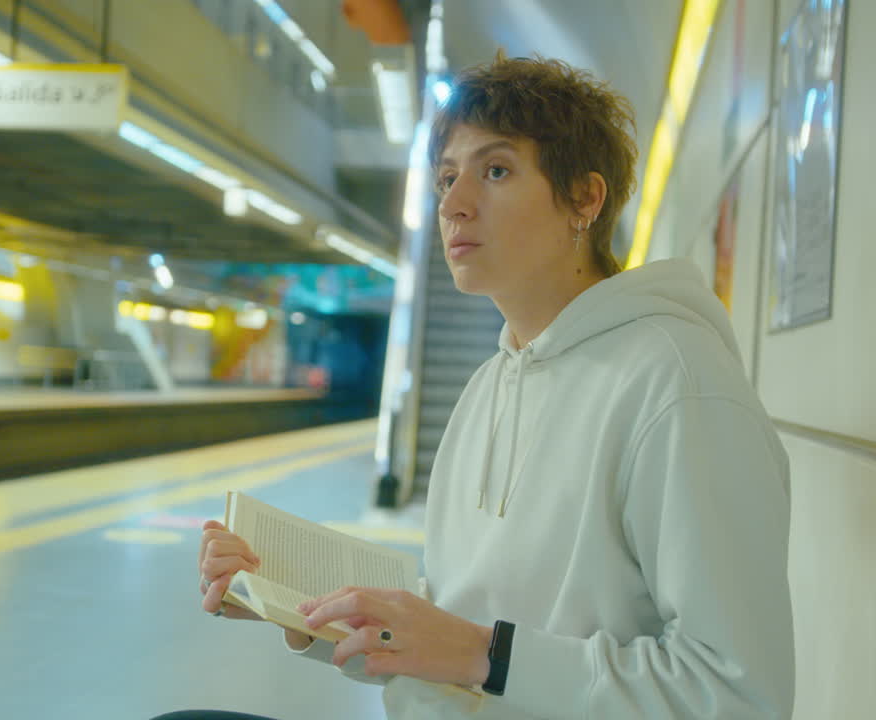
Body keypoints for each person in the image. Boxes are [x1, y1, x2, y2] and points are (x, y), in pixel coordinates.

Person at [180, 53, 793, 720]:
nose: (453, 204)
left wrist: (486, 656)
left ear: (584, 200)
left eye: (495, 171)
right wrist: (301, 605)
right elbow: (455, 631)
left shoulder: (679, 385)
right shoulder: (489, 385)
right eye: (447, 178)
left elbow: (737, 695)